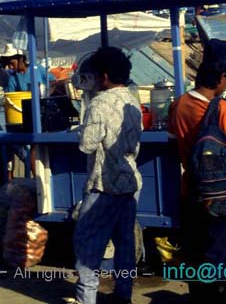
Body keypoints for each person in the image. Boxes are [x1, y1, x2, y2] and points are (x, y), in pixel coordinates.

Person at [168, 38, 226, 303]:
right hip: (222, 199)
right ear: (222, 76)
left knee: (196, 257)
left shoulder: (177, 105)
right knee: (224, 260)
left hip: (191, 193)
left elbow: (173, 147)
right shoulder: (222, 109)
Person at [72, 47, 142, 304]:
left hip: (103, 184)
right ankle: (124, 295)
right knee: (124, 243)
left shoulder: (99, 103)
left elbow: (87, 145)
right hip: (130, 180)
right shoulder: (133, 99)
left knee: (87, 245)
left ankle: (86, 299)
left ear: (103, 76)